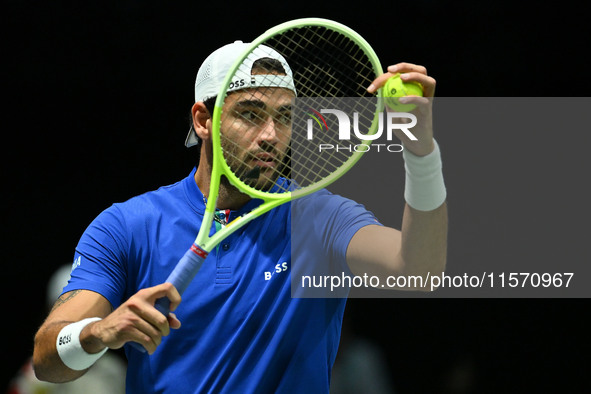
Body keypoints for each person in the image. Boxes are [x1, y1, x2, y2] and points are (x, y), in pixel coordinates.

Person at [32, 40, 447, 393]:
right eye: (250, 113)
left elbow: (420, 270)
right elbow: (47, 361)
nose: (270, 134)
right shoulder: (128, 226)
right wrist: (98, 333)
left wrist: (422, 153)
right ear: (203, 120)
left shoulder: (318, 217)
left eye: (284, 116)